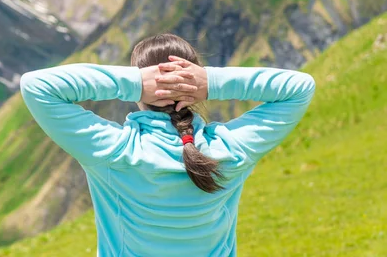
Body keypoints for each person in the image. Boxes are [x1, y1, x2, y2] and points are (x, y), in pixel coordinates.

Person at [20, 33, 316, 257]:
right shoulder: (230, 149)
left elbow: (38, 86)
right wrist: (211, 82)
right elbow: (299, 89)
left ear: (142, 90)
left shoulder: (117, 151)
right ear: (195, 87)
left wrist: (135, 82)